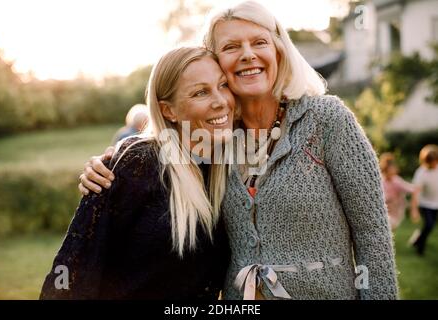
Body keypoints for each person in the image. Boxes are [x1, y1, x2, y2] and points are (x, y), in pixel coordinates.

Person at [78, 1, 398, 299]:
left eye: (259, 42)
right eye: (231, 47)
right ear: (215, 63)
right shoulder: (215, 137)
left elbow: (373, 238)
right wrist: (110, 164)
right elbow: (163, 149)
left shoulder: (327, 119)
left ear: (279, 50)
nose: (247, 54)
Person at [40, 47, 234, 299]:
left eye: (223, 85)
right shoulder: (138, 163)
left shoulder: (231, 168)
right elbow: (74, 268)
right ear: (168, 111)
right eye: (201, 92)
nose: (221, 101)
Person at [410, 144, 438, 256]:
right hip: (425, 203)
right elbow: (415, 192)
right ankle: (420, 248)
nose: (433, 164)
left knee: (430, 226)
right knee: (429, 224)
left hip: (436, 203)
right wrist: (414, 209)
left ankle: (417, 240)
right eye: (430, 162)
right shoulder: (421, 173)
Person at [379, 152, 419, 230]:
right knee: (386, 228)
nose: (394, 171)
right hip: (384, 211)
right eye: (391, 169)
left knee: (391, 228)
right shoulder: (381, 181)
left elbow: (412, 189)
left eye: (394, 168)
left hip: (396, 211)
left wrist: (414, 209)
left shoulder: (396, 180)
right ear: (385, 169)